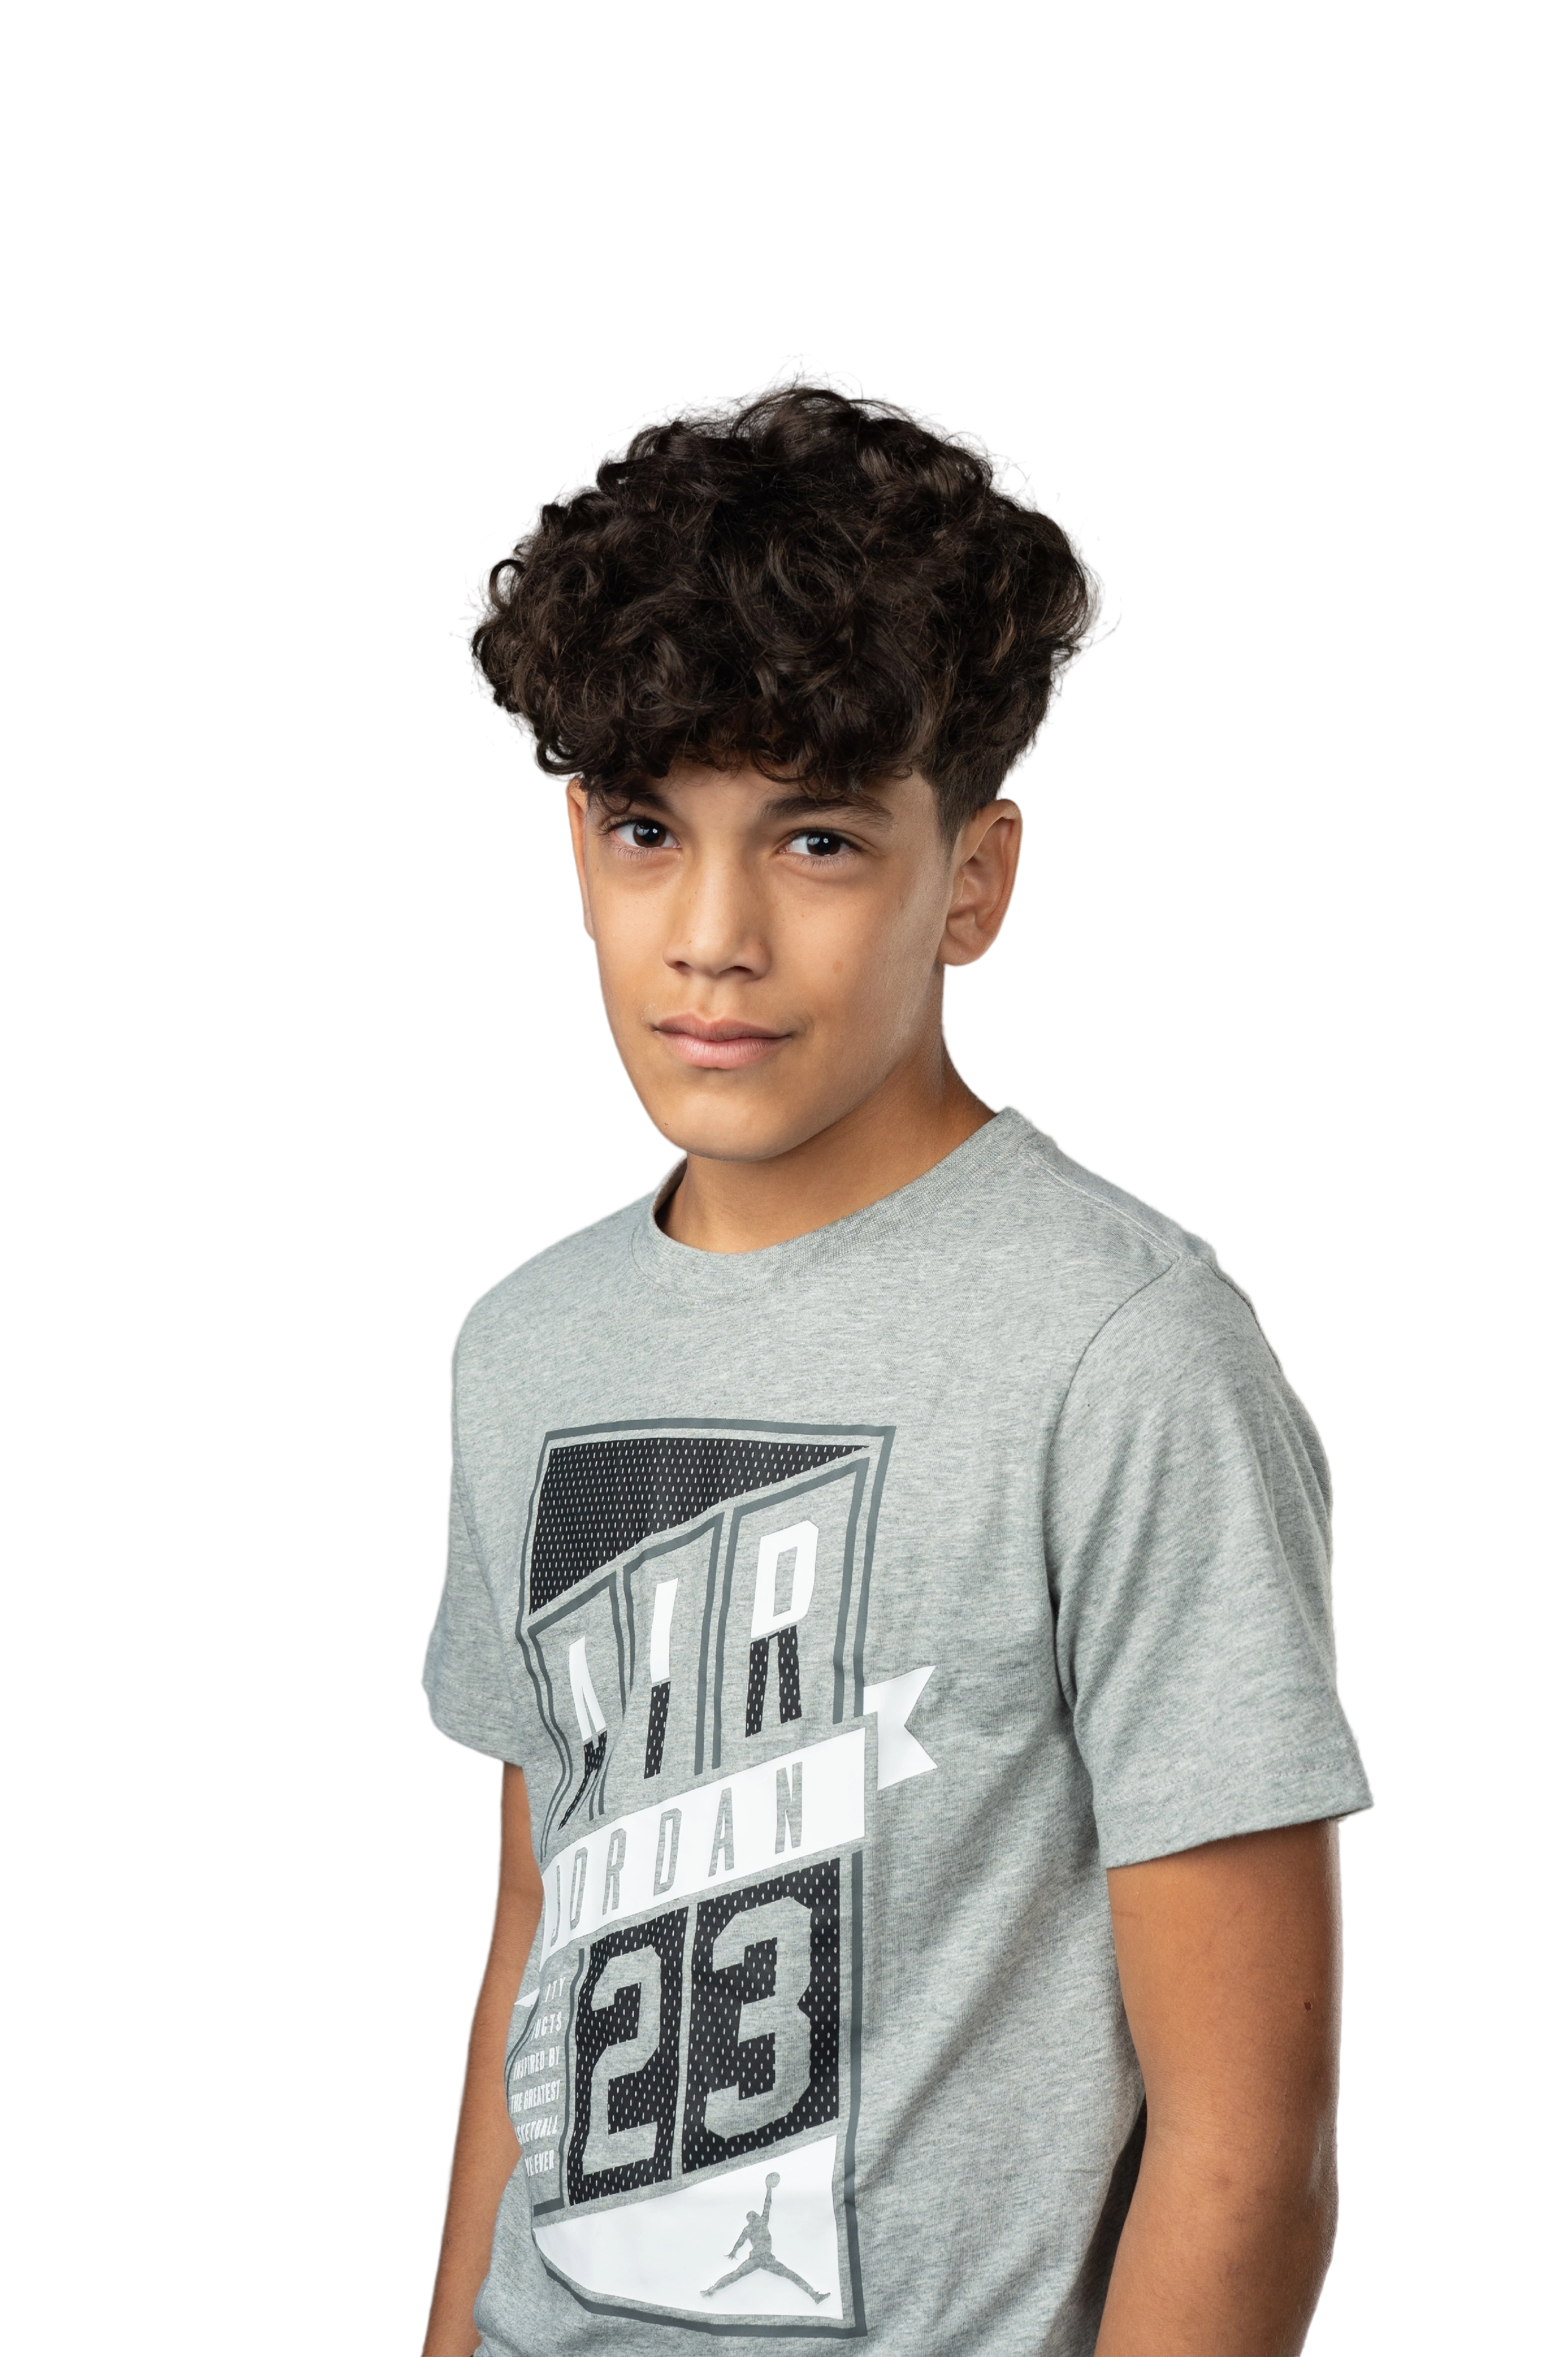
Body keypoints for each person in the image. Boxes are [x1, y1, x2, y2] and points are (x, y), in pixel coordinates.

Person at [416, 353, 1377, 2357]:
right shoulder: (524, 1344)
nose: (712, 935)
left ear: (977, 879)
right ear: (578, 849)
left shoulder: (1121, 1352)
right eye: (646, 830)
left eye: (819, 842)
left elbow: (1244, 2138)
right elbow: (538, 1931)